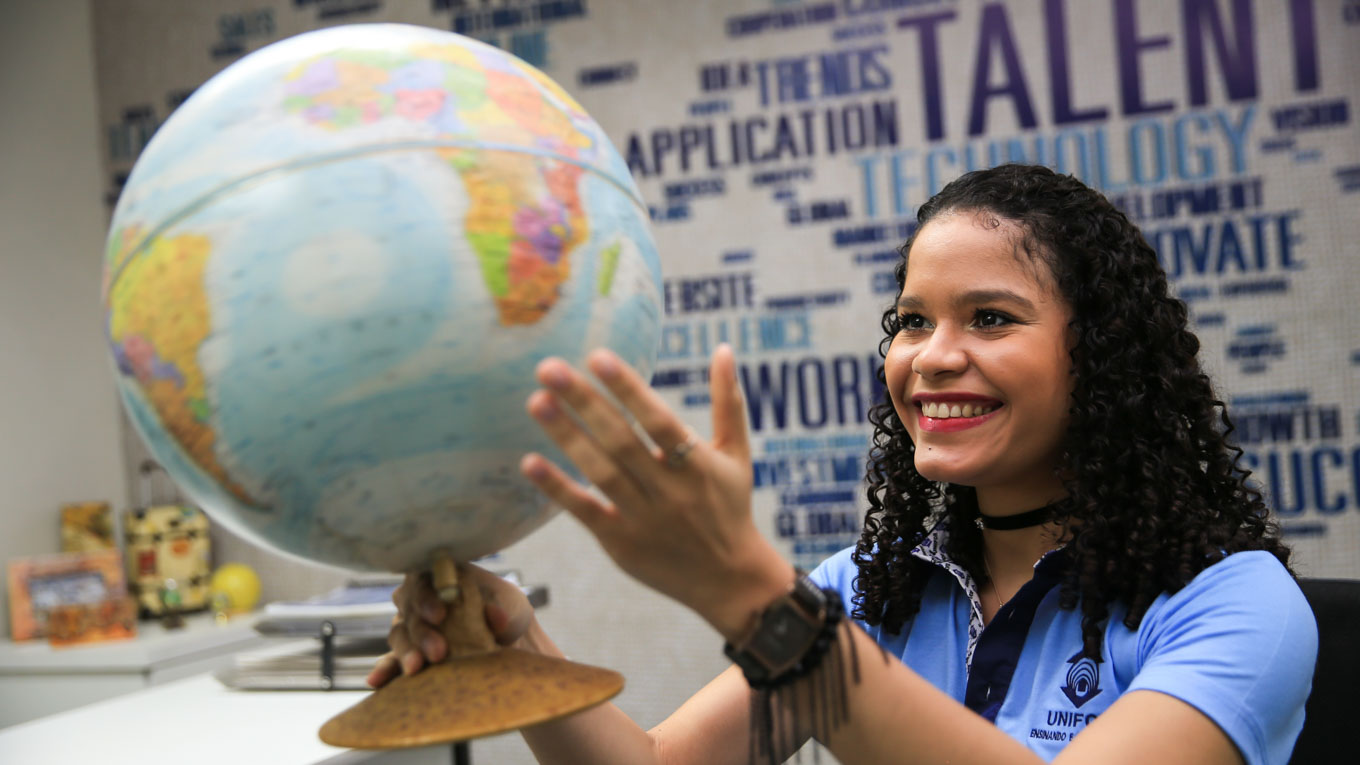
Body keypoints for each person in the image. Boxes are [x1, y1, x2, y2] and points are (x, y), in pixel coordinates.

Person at [368, 164, 1317, 764]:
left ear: (1099, 355)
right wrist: (519, 648)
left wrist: (751, 595)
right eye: (912, 320)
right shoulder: (869, 590)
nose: (930, 355)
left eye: (990, 317)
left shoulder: (1235, 603)